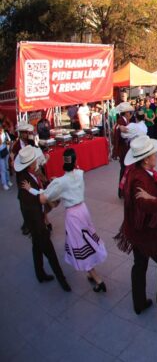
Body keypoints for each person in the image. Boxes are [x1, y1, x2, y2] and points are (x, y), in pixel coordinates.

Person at [115, 135, 157, 315]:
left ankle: (139, 303)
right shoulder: (139, 178)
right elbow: (143, 203)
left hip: (137, 228)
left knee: (140, 265)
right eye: (154, 154)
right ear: (146, 159)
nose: (156, 156)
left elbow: (148, 190)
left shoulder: (141, 172)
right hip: (146, 230)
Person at [22, 147, 108, 291]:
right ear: (75, 161)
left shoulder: (60, 183)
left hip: (73, 216)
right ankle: (91, 274)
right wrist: (57, 182)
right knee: (87, 240)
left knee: (80, 245)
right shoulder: (80, 173)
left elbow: (43, 199)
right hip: (83, 210)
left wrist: (31, 189)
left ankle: (98, 280)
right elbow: (69, 182)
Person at [14, 146, 71, 292]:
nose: (36, 162)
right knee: (50, 253)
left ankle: (40, 274)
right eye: (34, 161)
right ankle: (63, 281)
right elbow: (29, 207)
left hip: (36, 220)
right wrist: (41, 226)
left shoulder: (30, 175)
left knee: (36, 248)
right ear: (30, 165)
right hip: (37, 223)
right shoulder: (23, 181)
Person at [113, 101, 134, 197]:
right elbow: (118, 128)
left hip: (125, 149)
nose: (131, 114)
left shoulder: (125, 121)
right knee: (124, 170)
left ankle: (122, 191)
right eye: (130, 112)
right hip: (123, 150)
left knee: (125, 170)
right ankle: (122, 191)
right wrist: (120, 127)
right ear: (126, 113)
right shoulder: (121, 121)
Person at [0, 123, 11, 190]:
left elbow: (9, 141)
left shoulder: (5, 133)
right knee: (3, 169)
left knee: (6, 167)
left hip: (6, 152)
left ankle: (8, 180)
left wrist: (7, 145)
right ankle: (4, 183)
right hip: (0, 153)